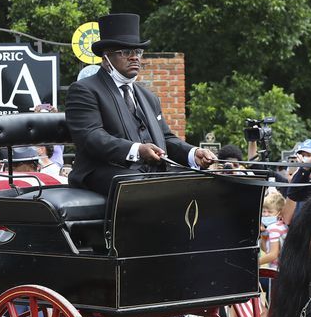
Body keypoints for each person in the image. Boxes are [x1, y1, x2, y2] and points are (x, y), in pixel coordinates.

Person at [65, 13, 216, 196]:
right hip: (103, 171)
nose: (134, 57)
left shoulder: (148, 96)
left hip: (147, 173)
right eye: (126, 52)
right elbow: (91, 137)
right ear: (106, 58)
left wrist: (193, 153)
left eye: (137, 52)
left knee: (201, 182)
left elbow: (166, 138)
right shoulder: (84, 90)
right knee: (143, 187)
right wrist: (137, 150)